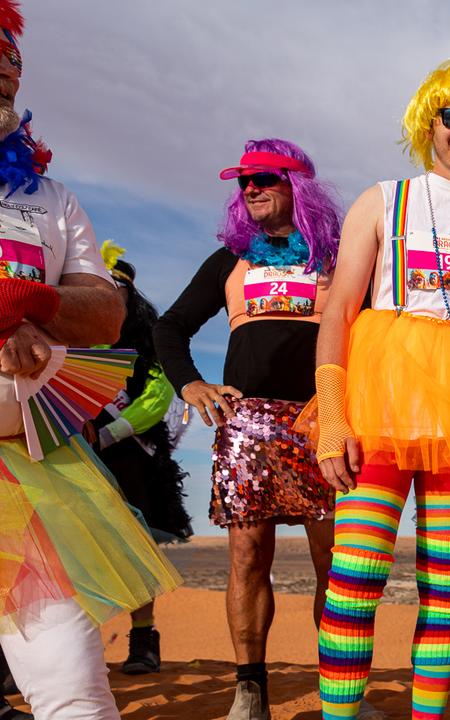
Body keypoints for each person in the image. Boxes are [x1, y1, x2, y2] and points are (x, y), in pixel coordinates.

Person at [310, 58, 450, 720]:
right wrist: (330, 418)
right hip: (378, 409)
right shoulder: (383, 200)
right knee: (354, 581)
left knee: (447, 590)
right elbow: (340, 313)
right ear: (429, 123)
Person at [0, 4, 182, 715]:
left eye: (11, 50)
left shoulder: (49, 199)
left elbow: (103, 312)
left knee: (74, 688)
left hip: (33, 474)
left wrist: (29, 304)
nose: (3, 64)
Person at [154, 137, 343, 718]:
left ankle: (339, 691)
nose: (251, 188)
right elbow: (171, 328)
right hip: (249, 425)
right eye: (244, 182)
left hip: (324, 421)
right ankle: (249, 690)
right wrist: (192, 385)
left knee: (334, 567)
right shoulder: (228, 261)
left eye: (264, 178)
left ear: (298, 186)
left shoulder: (336, 257)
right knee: (247, 558)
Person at [85, 242, 194, 676]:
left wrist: (109, 432)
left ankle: (143, 641)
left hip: (132, 459)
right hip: (75, 456)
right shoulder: (69, 338)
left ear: (130, 296)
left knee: (135, 550)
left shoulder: (147, 346)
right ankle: (80, 652)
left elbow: (157, 397)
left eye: (117, 290)